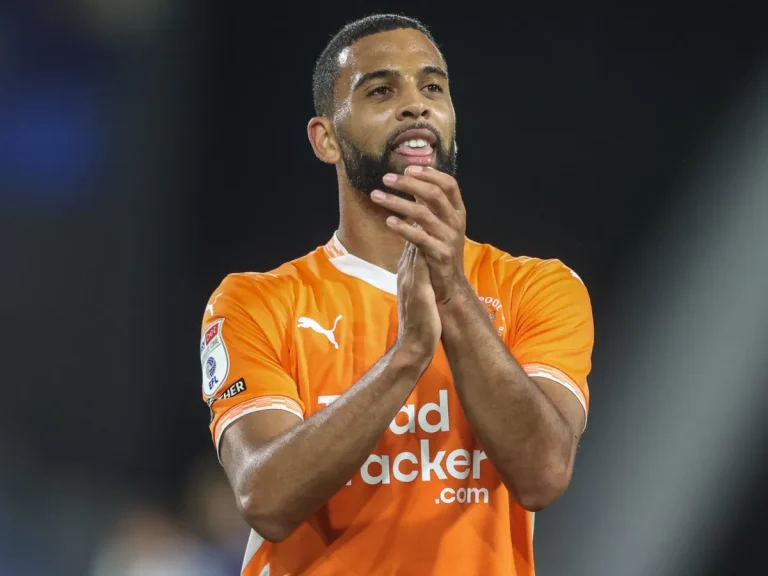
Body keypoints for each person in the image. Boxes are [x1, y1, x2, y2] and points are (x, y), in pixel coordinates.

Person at [199, 13, 594, 576]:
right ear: (326, 140)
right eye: (381, 90)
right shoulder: (256, 302)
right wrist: (407, 355)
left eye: (432, 87)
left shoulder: (537, 288)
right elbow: (265, 498)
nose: (415, 105)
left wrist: (453, 295)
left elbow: (543, 474)